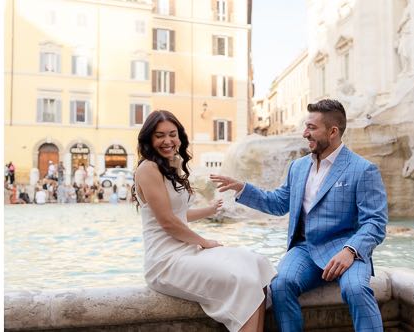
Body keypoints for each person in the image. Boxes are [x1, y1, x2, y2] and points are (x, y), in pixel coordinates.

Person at [212, 99, 388, 332]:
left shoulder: (363, 169)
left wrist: (350, 251)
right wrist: (242, 189)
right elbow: (277, 203)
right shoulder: (298, 167)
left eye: (312, 128)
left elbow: (375, 222)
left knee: (356, 289)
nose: (305, 133)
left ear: (333, 132)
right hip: (304, 249)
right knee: (280, 284)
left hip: (346, 249)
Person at [136, 110, 275, 332]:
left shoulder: (170, 166)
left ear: (179, 137)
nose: (167, 140)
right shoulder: (147, 169)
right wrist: (204, 241)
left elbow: (178, 214)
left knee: (255, 263)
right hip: (165, 261)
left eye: (173, 134)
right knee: (244, 281)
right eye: (159, 135)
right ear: (149, 139)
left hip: (186, 251)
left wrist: (208, 210)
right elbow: (167, 222)